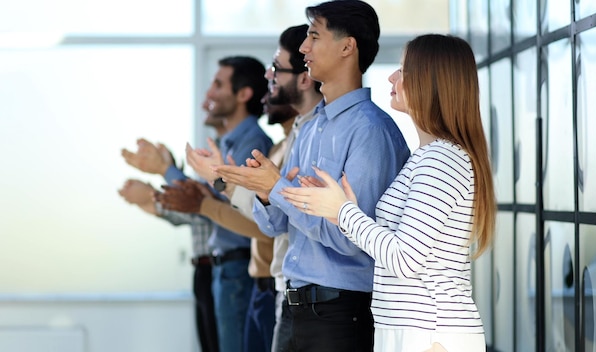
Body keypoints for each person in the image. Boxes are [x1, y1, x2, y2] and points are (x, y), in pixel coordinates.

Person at [279, 34, 497, 352]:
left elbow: (404, 259)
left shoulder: (442, 160)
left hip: (430, 333)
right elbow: (398, 246)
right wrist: (340, 210)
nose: (392, 77)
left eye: (404, 71)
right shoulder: (427, 157)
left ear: (432, 82)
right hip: (410, 329)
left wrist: (343, 212)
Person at [213, 2, 411, 351]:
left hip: (340, 312)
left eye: (314, 36)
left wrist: (278, 189)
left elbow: (352, 238)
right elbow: (275, 224)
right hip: (293, 306)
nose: (304, 47)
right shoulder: (310, 126)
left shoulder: (370, 131)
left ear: (347, 47)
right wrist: (265, 192)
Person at [156, 99, 299, 352]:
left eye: (218, 86)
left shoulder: (256, 144)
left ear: (243, 94)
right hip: (252, 278)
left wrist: (207, 192)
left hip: (251, 274)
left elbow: (262, 223)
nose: (208, 97)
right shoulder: (276, 145)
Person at [118, 147, 219, 352]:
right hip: (204, 269)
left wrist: (154, 194)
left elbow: (204, 211)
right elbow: (193, 215)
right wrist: (151, 200)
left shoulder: (222, 154)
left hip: (218, 268)